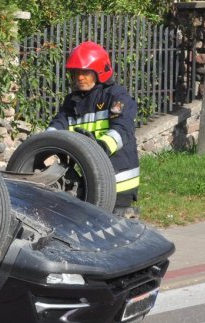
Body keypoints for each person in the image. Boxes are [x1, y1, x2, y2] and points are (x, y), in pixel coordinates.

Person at [47, 40, 140, 218]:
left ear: (100, 72)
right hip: (90, 178)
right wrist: (41, 144)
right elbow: (58, 124)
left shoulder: (116, 97)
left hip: (118, 180)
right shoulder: (72, 101)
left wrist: (100, 147)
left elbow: (122, 129)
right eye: (76, 73)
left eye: (85, 73)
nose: (80, 78)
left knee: (113, 230)